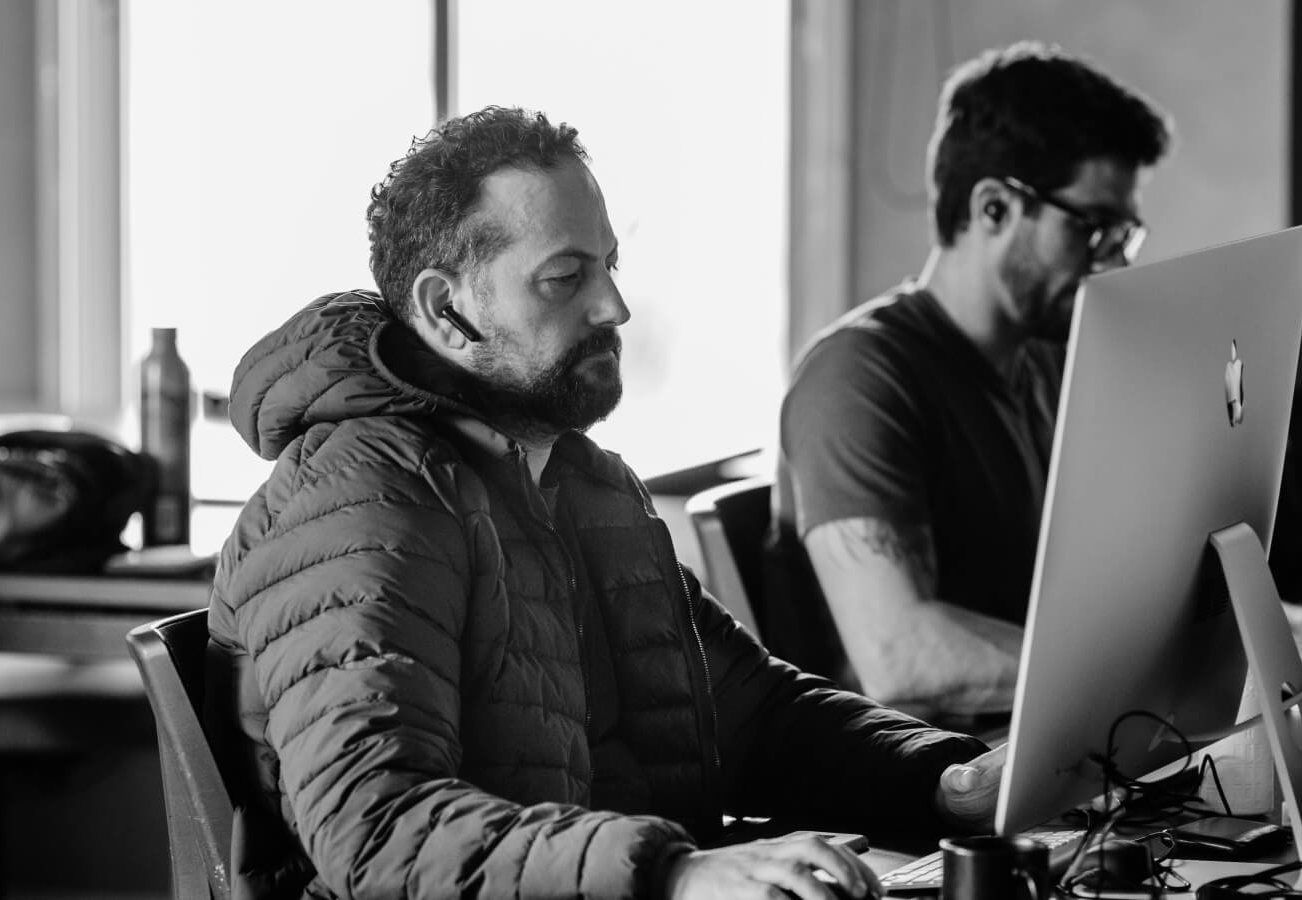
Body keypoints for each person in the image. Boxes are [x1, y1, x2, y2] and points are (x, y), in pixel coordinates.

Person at [206, 106, 1004, 900]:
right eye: (565, 278)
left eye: (610, 266)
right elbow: (378, 830)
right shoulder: (358, 496)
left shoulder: (586, 483)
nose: (614, 307)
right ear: (446, 311)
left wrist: (946, 778)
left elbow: (754, 718)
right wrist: (674, 874)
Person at [771, 42, 1172, 721]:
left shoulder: (1048, 362)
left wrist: (1270, 628)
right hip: (922, 788)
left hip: (1041, 749)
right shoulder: (859, 375)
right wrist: (1157, 679)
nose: (1110, 264)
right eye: (1093, 229)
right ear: (993, 208)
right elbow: (900, 657)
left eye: (1122, 235)